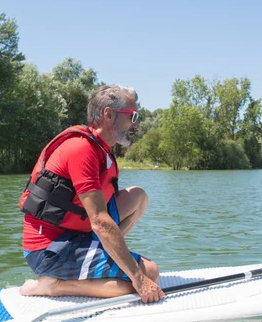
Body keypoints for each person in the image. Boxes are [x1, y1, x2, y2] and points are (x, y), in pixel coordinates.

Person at [18, 84, 164, 303]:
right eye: (132, 116)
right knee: (149, 273)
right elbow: (100, 221)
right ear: (109, 114)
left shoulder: (101, 149)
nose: (136, 124)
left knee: (138, 197)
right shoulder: (81, 148)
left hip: (77, 233)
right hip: (49, 249)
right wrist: (138, 278)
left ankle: (103, 256)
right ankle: (53, 285)